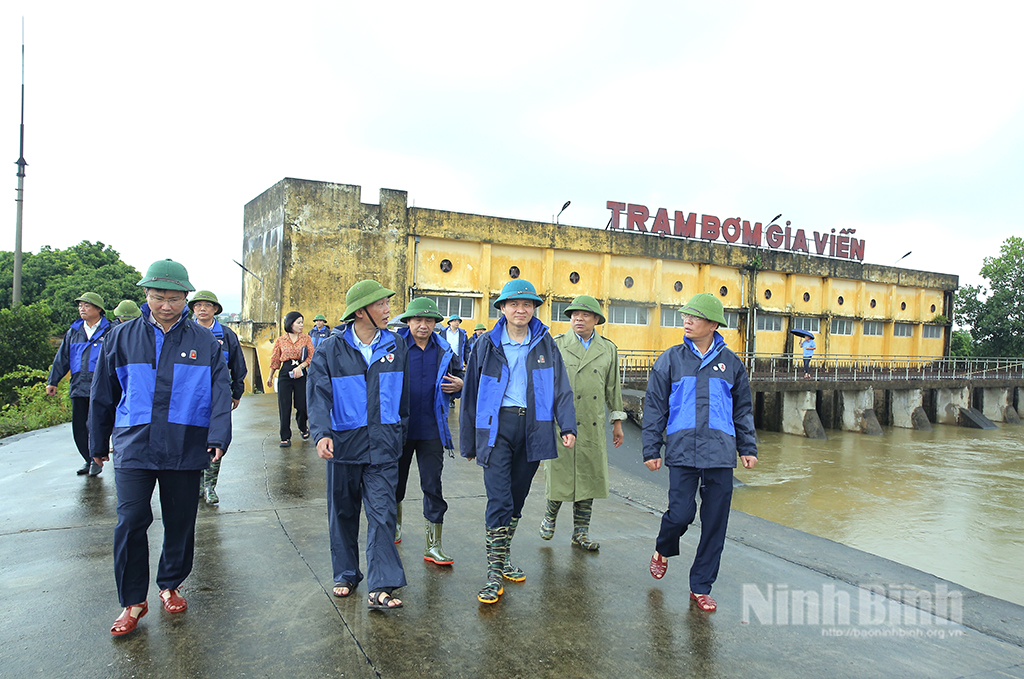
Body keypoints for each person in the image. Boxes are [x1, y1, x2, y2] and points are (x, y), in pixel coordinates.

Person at [89, 259, 232, 636]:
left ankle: (170, 583)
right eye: (157, 297)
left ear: (186, 298)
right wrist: (97, 441)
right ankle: (133, 601)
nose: (165, 305)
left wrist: (218, 437)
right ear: (146, 296)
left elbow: (221, 392)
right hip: (134, 444)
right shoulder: (121, 337)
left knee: (180, 520)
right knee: (131, 520)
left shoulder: (205, 342)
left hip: (186, 444)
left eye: (173, 298)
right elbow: (103, 393)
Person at [460, 279, 576, 604]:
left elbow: (561, 387)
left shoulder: (545, 344)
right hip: (497, 426)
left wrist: (566, 426)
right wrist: (470, 441)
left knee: (517, 498)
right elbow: (470, 393)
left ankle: (504, 555)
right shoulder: (485, 344)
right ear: (503, 308)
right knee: (499, 499)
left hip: (534, 428)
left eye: (527, 305)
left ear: (534, 309)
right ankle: (494, 574)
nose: (520, 310)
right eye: (514, 304)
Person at [642, 293, 757, 613]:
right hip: (682, 449)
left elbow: (743, 410)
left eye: (694, 317)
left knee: (715, 522)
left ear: (712, 324)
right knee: (680, 514)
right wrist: (651, 448)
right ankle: (663, 547)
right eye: (685, 317)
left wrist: (747, 447)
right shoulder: (671, 359)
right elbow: (654, 407)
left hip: (720, 453)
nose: (687, 322)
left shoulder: (732, 364)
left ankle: (701, 586)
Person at [307, 279, 409, 610]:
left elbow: (403, 398)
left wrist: (399, 432)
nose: (387, 309)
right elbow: (319, 395)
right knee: (343, 512)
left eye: (387, 303)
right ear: (361, 312)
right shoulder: (330, 350)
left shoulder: (396, 345)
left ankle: (382, 585)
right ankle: (346, 573)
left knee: (382, 514)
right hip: (343, 445)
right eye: (381, 304)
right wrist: (322, 432)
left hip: (383, 446)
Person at [541, 295, 626, 551]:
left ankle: (581, 532)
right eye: (574, 315)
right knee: (559, 473)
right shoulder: (555, 344)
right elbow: (545, 384)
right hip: (561, 422)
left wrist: (617, 422)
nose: (578, 318)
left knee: (589, 477)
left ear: (596, 320)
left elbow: (614, 388)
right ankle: (550, 516)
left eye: (585, 315)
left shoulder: (608, 349)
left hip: (592, 422)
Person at [393, 297, 464, 562]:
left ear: (435, 324)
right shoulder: (395, 346)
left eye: (429, 321)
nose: (423, 325)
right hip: (399, 429)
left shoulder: (445, 350)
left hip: (433, 429)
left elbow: (461, 377)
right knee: (394, 483)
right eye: (418, 320)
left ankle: (433, 545)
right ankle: (393, 527)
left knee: (432, 485)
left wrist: (461, 385)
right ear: (408, 321)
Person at [189, 290, 248, 504]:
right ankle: (194, 484)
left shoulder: (226, 335)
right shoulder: (185, 332)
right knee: (192, 439)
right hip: (191, 396)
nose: (202, 308)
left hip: (219, 395)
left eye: (207, 305)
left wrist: (236, 392)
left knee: (217, 440)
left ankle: (210, 486)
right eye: (198, 305)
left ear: (215, 309)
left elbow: (238, 365)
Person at [46, 292, 112, 477]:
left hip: (102, 386)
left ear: (99, 309)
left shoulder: (110, 330)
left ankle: (100, 454)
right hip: (79, 386)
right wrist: (53, 381)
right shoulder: (74, 332)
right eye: (80, 305)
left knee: (100, 422)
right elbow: (62, 358)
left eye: (87, 305)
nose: (82, 308)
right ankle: (90, 459)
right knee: (79, 425)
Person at [266, 312, 315, 447]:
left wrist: (302, 366)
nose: (301, 325)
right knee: (284, 405)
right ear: (290, 323)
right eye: (298, 322)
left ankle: (302, 426)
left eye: (302, 322)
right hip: (285, 373)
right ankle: (285, 436)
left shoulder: (306, 338)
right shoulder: (281, 340)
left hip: (300, 371)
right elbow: (275, 359)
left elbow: (312, 356)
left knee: (302, 404)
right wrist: (270, 376)